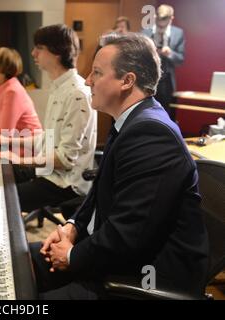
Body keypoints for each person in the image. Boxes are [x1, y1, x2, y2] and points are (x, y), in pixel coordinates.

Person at [30, 33, 208, 300]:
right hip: (118, 254)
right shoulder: (130, 121)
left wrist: (70, 255)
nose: (88, 80)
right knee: (20, 259)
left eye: (97, 73)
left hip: (146, 275)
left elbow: (128, 234)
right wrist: (72, 227)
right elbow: (99, 194)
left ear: (127, 80)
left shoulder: (150, 133)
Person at [0, 24, 97, 216]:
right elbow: (46, 139)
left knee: (0, 199)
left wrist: (21, 159)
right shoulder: (59, 87)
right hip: (49, 171)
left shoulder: (77, 93)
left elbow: (65, 160)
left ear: (57, 52)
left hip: (66, 182)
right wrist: (7, 141)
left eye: (39, 48)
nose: (33, 53)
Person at [0, 47, 42, 135]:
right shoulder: (1, 85)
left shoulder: (12, 91)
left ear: (5, 66)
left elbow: (5, 133)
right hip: (15, 143)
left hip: (28, 146)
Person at [142, 4, 185, 120]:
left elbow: (180, 60)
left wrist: (170, 53)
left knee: (165, 114)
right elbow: (138, 56)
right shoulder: (145, 32)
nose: (161, 25)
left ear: (171, 19)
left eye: (164, 22)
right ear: (155, 17)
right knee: (146, 112)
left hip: (166, 82)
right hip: (147, 80)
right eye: (158, 21)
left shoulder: (178, 33)